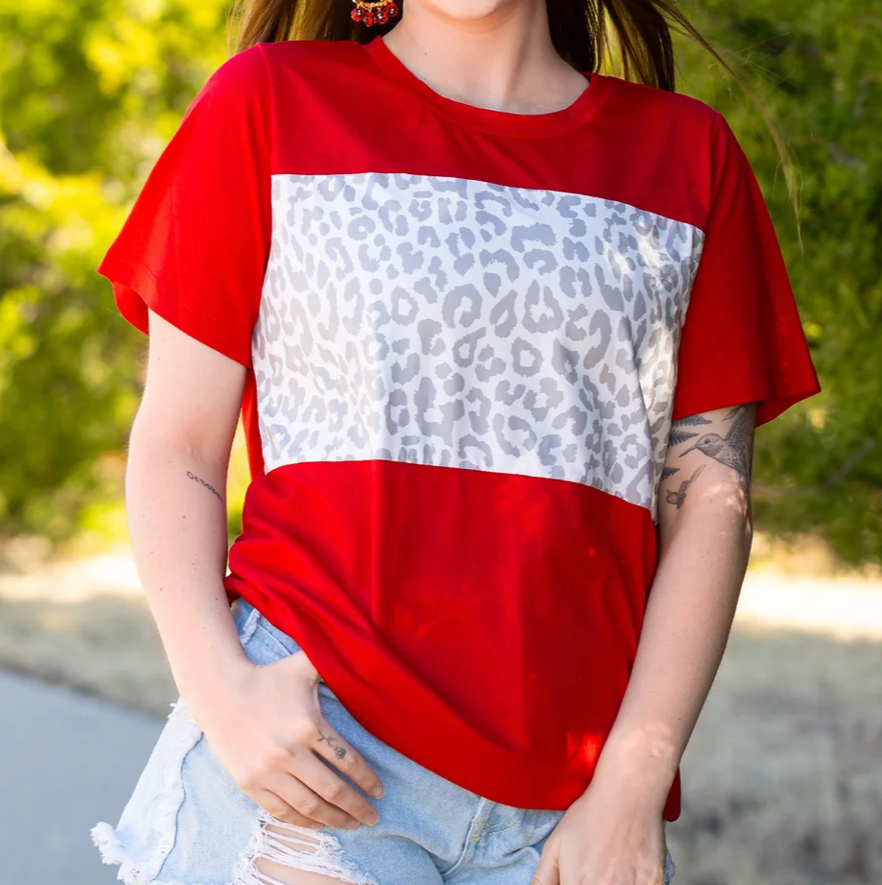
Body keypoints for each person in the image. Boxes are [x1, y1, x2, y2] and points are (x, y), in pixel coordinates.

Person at [89, 1, 822, 883]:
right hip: (318, 755)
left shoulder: (687, 156)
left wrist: (633, 783)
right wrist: (222, 693)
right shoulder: (269, 104)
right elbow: (178, 440)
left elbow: (712, 498)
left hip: (569, 814)